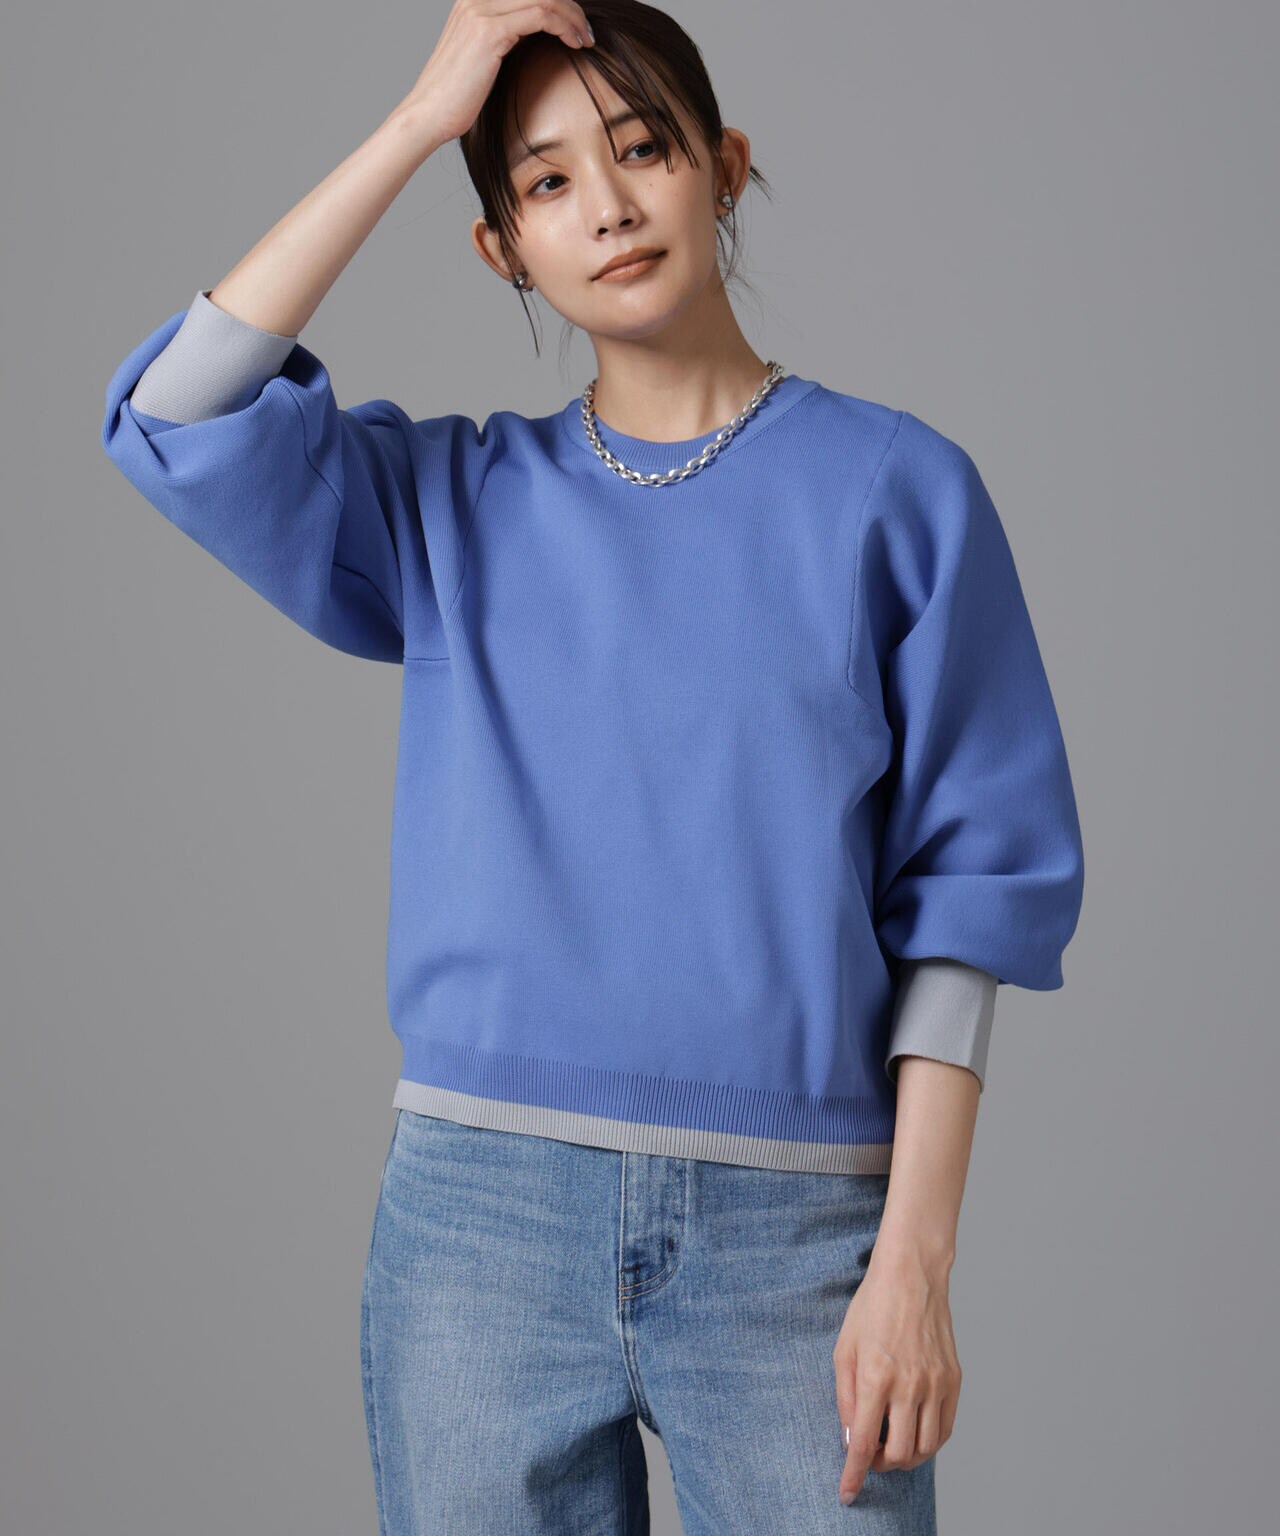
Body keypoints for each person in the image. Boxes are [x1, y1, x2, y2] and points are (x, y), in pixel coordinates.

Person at [100, 2, 1085, 1531]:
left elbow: (974, 895)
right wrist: (421, 120)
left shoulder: (898, 493)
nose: (609, 206)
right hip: (480, 1226)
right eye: (547, 182)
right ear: (502, 250)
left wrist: (914, 1261)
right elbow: (178, 408)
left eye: (643, 149)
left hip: (799, 1231)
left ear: (725, 168)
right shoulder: (450, 503)